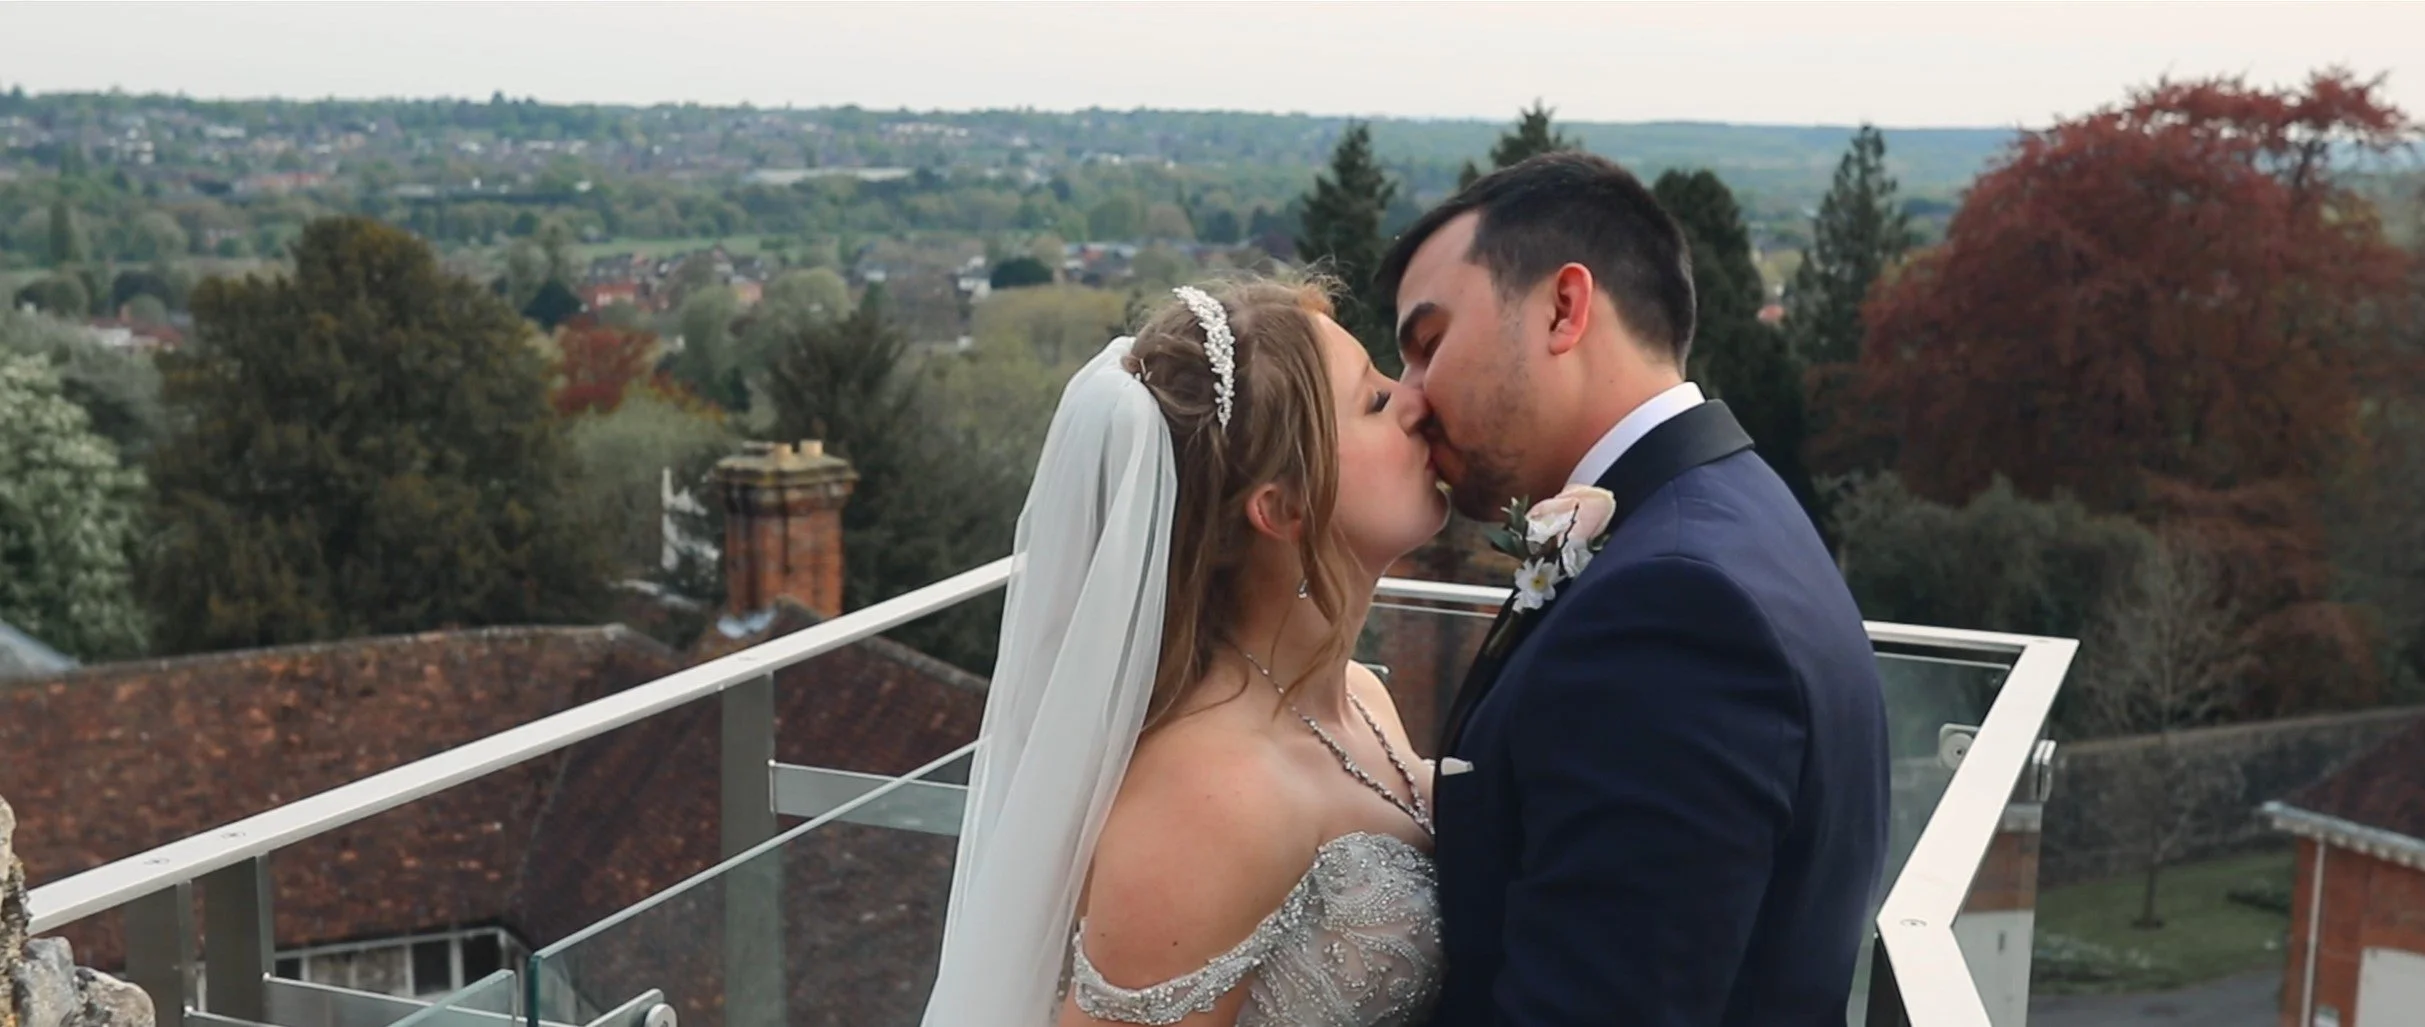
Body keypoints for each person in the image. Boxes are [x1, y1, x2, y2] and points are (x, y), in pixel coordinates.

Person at [1379, 150, 1892, 1027]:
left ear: (1564, 307)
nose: (1413, 400)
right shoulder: (1729, 510)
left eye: (1428, 345)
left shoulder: (1671, 608)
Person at [920, 278, 1451, 1027]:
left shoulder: (1361, 694)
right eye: (1371, 401)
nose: (1417, 402)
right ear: (1280, 507)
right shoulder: (1206, 797)